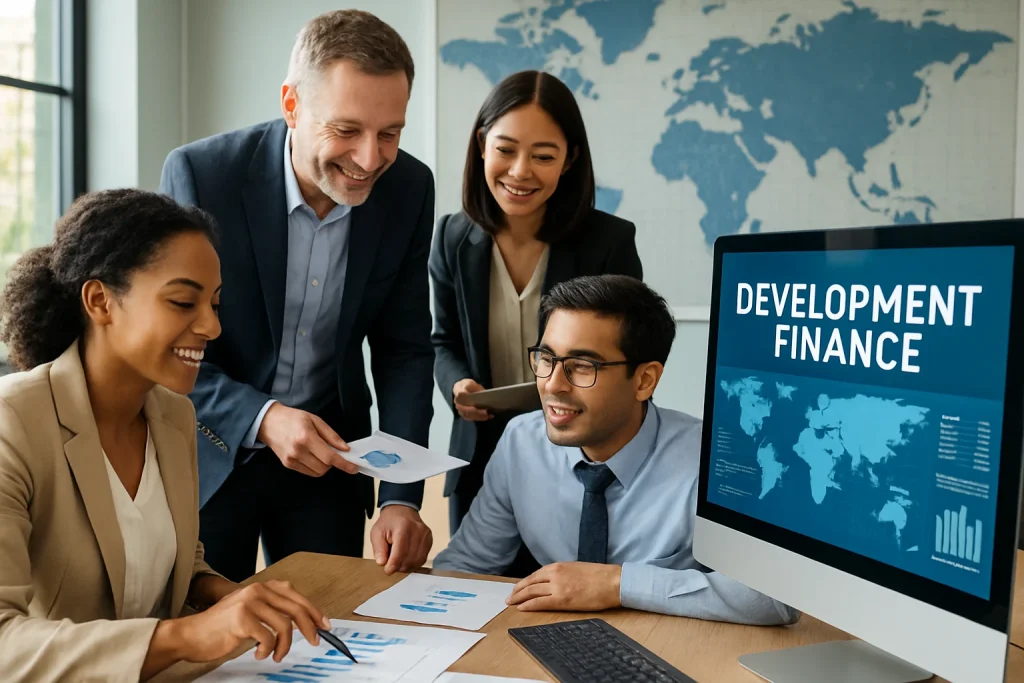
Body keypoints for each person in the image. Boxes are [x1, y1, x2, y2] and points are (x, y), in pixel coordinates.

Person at [0, 189, 331, 681]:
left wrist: (230, 595)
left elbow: (170, 562)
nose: (211, 326)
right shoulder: (13, 425)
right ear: (100, 302)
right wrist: (187, 636)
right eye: (183, 301)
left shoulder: (175, 418)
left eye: (215, 303)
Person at [159, 9, 435, 582]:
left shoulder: (409, 188)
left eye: (390, 133)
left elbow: (403, 347)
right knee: (211, 643)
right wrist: (263, 417)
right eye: (346, 130)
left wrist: (402, 497)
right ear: (292, 106)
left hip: (330, 464)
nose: (369, 159)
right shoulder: (201, 176)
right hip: (208, 455)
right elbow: (167, 349)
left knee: (330, 632)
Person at [432, 275, 799, 625]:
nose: (552, 385)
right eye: (546, 359)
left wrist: (616, 584)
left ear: (644, 380)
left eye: (581, 366)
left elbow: (774, 598)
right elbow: (466, 565)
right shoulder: (521, 441)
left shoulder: (721, 460)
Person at [430, 70, 643, 544]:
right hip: (479, 455)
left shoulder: (609, 242)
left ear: (569, 161)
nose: (520, 171)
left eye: (543, 156)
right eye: (505, 149)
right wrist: (457, 385)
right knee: (473, 595)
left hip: (575, 453)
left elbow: (626, 354)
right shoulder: (451, 237)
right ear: (482, 144)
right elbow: (442, 340)